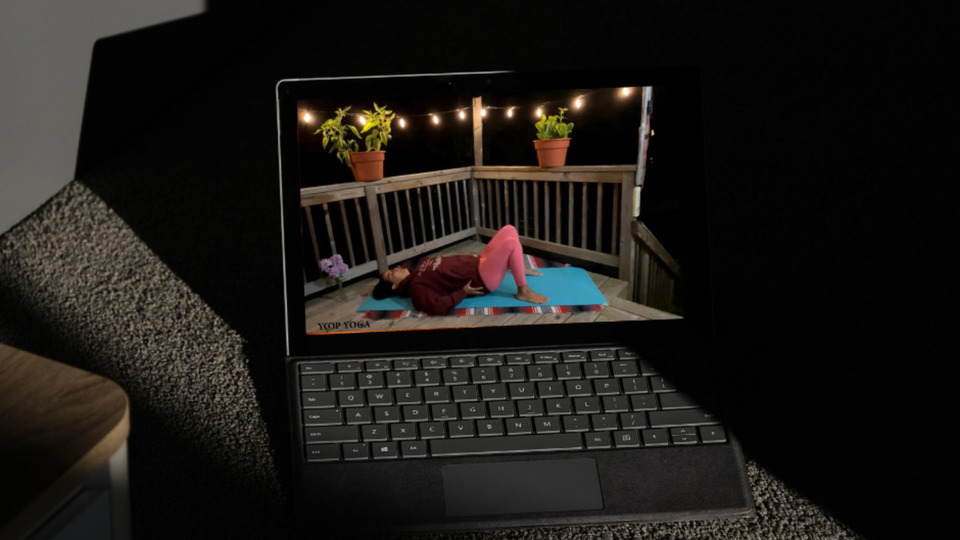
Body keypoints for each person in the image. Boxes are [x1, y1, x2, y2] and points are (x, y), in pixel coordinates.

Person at [372, 225, 548, 315]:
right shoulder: (416, 289)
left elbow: (450, 263)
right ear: (394, 285)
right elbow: (436, 307)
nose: (395, 269)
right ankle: (523, 291)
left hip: (480, 261)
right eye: (391, 274)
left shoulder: (417, 268)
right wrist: (462, 292)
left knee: (509, 229)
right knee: (511, 244)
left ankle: (516, 266)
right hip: (481, 278)